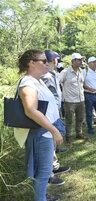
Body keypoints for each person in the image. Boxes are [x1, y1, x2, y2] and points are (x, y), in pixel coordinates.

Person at [17, 49, 64, 201]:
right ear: (31, 63)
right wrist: (53, 130)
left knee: (45, 170)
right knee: (43, 172)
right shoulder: (28, 83)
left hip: (45, 132)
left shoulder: (38, 81)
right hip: (41, 134)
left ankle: (42, 196)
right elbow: (30, 110)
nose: (47, 64)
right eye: (43, 61)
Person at [41, 50, 70, 186]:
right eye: (56, 59)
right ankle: (49, 174)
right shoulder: (45, 76)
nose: (57, 61)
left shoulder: (52, 74)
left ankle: (54, 167)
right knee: (48, 144)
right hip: (47, 115)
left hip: (54, 112)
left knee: (51, 143)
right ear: (53, 60)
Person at [59, 53, 86, 143]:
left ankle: (79, 133)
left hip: (80, 99)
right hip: (69, 100)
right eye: (79, 60)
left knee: (80, 118)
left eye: (81, 60)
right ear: (73, 61)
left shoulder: (81, 71)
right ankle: (68, 136)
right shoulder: (65, 72)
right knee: (69, 119)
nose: (81, 62)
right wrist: (62, 96)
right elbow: (58, 83)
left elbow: (82, 84)